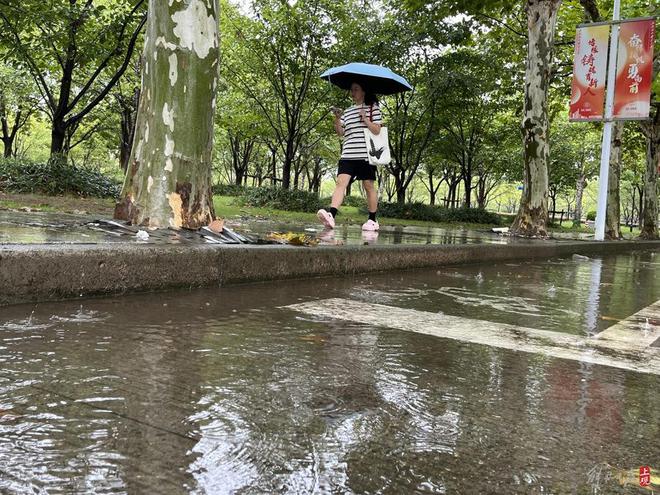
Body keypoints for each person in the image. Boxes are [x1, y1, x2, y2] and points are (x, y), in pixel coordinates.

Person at [317, 81, 382, 231]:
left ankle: (372, 220)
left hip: (366, 155)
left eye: (356, 89)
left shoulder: (373, 108)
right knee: (340, 183)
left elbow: (377, 130)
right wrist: (337, 118)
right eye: (351, 90)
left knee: (368, 186)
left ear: (363, 91)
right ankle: (331, 215)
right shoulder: (348, 111)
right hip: (348, 154)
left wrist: (365, 119)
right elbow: (341, 133)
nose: (352, 93)